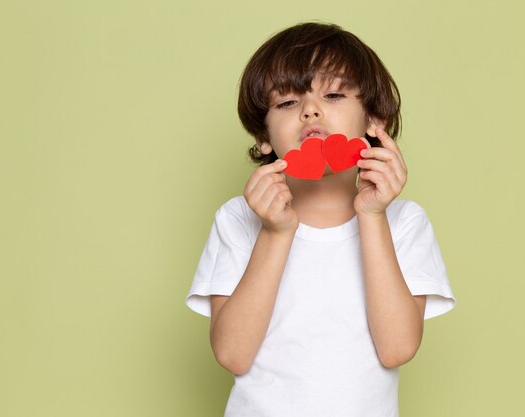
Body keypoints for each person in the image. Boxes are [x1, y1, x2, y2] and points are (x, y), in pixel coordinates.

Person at [185, 22, 456, 417]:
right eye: (287, 103)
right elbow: (232, 354)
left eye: (333, 94)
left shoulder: (404, 223)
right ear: (264, 137)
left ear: (372, 123)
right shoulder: (238, 218)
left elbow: (397, 349)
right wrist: (276, 233)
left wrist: (372, 215)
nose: (311, 109)